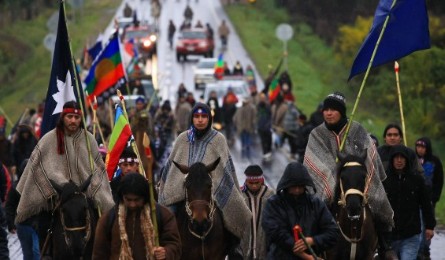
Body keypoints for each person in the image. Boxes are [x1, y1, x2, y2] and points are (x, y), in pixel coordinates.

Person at [303, 92, 396, 259]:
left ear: (342, 112)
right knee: (313, 209)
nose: (328, 113)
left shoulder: (357, 130)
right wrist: (334, 170)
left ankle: (385, 245)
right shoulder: (316, 134)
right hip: (330, 182)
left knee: (379, 200)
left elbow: (369, 157)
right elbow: (314, 163)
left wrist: (353, 166)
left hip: (358, 182)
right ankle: (314, 247)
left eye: (333, 109)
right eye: (326, 109)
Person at [15, 101, 114, 246]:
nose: (73, 120)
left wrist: (92, 186)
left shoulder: (89, 139)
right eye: (69, 116)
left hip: (84, 197)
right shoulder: (48, 139)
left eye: (76, 117)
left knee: (101, 228)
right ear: (63, 117)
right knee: (44, 226)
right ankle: (47, 253)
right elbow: (37, 167)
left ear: (81, 119)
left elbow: (98, 169)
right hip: (56, 199)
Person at [158, 103, 251, 258]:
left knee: (231, 211)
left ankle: (234, 248)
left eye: (204, 116)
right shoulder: (183, 138)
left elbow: (225, 171)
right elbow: (172, 168)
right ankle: (163, 248)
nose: (200, 120)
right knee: (167, 215)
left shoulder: (218, 139)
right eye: (196, 116)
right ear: (192, 118)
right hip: (186, 190)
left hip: (211, 189)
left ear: (209, 118)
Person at [93, 173, 181, 260]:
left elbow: (175, 245)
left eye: (137, 200)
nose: (132, 204)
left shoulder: (162, 214)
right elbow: (99, 253)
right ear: (122, 196)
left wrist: (166, 252)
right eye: (128, 199)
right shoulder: (109, 218)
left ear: (145, 197)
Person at [262, 162, 339, 259]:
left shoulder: (315, 204)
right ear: (286, 185)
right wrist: (306, 256)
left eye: (300, 186)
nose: (297, 190)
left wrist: (313, 241)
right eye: (293, 186)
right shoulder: (274, 204)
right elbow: (276, 233)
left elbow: (333, 232)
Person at [383, 145, 436, 260]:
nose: (399, 160)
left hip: (411, 235)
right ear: (392, 159)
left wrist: (430, 226)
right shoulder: (384, 181)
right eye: (396, 157)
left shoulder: (417, 180)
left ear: (407, 160)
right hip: (389, 237)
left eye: (402, 157)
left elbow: (426, 204)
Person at [415, 137, 443, 259]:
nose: (420, 149)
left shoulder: (435, 161)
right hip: (416, 199)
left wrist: (434, 198)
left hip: (429, 199)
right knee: (419, 226)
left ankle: (425, 250)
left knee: (427, 225)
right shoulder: (413, 159)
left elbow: (439, 181)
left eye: (423, 147)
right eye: (418, 146)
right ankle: (418, 250)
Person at [6, 159, 40, 260]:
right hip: (22, 225)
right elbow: (10, 206)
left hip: (37, 225)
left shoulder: (40, 186)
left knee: (36, 251)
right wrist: (10, 223)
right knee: (27, 253)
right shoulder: (16, 188)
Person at [240, 165, 274, 260]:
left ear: (261, 180)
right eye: (251, 183)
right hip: (244, 241)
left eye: (257, 183)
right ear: (246, 181)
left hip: (263, 240)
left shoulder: (270, 195)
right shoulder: (239, 194)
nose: (254, 186)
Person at [256, 93, 272, 160]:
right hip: (260, 127)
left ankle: (268, 151)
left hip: (267, 127)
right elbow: (256, 115)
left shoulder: (268, 106)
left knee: (269, 140)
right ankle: (265, 152)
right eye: (261, 98)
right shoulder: (258, 106)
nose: (262, 99)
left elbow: (270, 116)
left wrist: (268, 124)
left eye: (263, 98)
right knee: (263, 140)